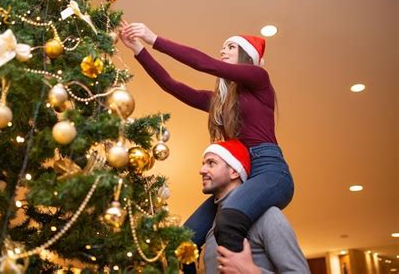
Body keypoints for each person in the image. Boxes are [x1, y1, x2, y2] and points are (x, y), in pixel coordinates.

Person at [120, 21, 294, 253]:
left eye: (231, 47)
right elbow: (171, 85)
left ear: (247, 56)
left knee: (229, 220)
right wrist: (138, 49)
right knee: (181, 245)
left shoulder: (259, 78)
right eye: (224, 47)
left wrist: (154, 39)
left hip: (270, 172)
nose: (223, 51)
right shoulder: (220, 103)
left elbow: (204, 64)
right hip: (240, 178)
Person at [199, 140, 309, 274]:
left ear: (234, 171)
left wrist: (251, 272)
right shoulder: (211, 228)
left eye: (211, 163)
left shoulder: (268, 217)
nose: (201, 170)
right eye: (203, 164)